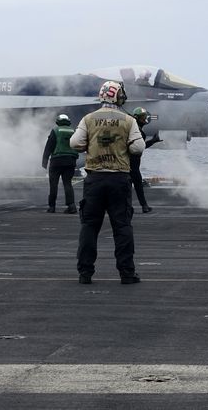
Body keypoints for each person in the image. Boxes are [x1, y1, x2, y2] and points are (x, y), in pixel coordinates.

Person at [70, 80, 145, 285]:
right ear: (117, 95)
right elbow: (138, 147)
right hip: (119, 179)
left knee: (89, 226)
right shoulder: (128, 120)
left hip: (94, 179)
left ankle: (85, 273)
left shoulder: (88, 118)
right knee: (122, 227)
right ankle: (127, 273)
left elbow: (75, 143)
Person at [42, 114, 78, 213]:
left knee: (53, 184)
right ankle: (72, 206)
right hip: (70, 161)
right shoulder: (73, 131)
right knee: (68, 183)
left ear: (58, 121)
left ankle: (52, 207)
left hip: (57, 161)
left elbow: (49, 146)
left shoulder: (55, 130)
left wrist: (44, 162)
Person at [130, 107, 162, 213]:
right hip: (131, 163)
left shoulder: (134, 129)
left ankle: (140, 206)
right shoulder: (137, 131)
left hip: (130, 163)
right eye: (143, 118)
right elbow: (141, 147)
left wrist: (153, 141)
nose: (145, 120)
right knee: (136, 185)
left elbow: (140, 146)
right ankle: (143, 206)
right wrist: (153, 141)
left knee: (132, 186)